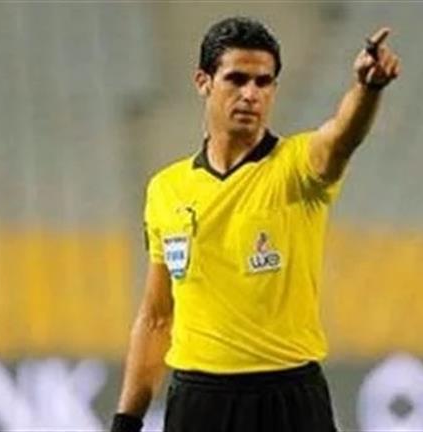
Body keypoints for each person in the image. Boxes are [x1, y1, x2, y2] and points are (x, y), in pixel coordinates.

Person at [111, 16, 400, 432]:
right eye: (237, 79)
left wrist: (367, 89)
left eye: (263, 82)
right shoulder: (166, 189)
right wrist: (126, 421)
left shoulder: (297, 168)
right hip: (199, 402)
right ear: (203, 82)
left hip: (289, 399)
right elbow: (157, 318)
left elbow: (342, 137)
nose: (251, 94)